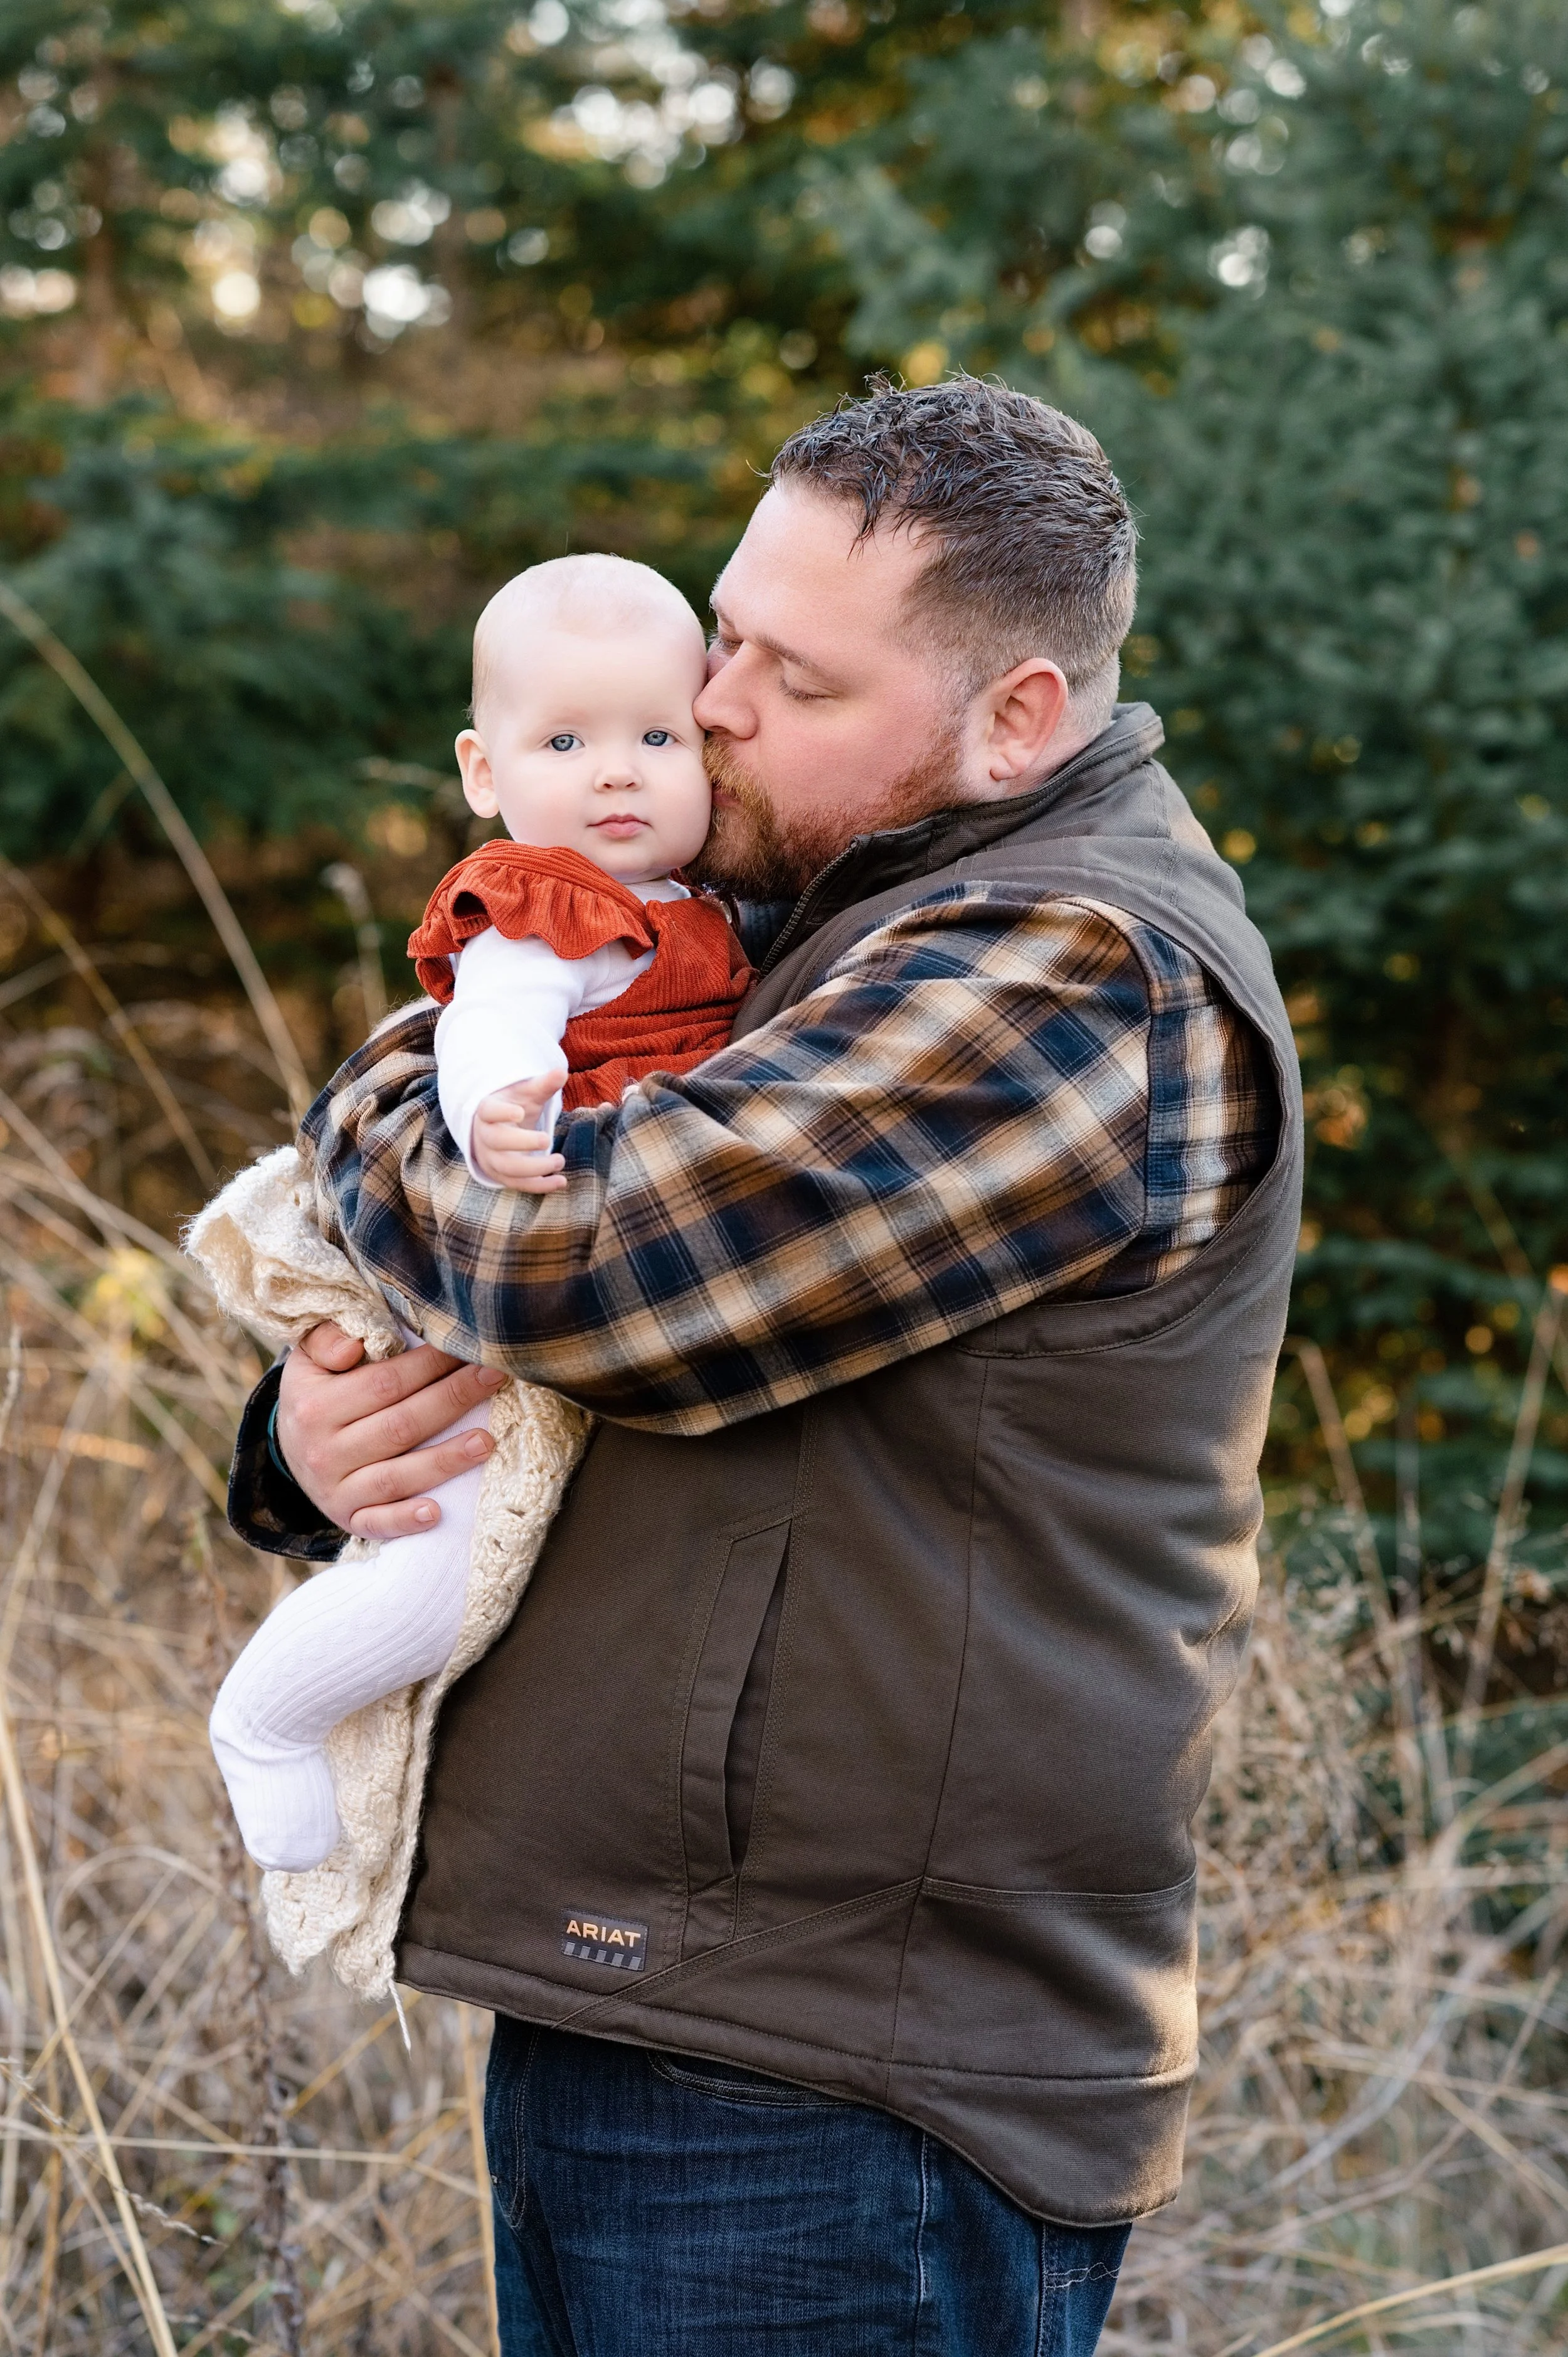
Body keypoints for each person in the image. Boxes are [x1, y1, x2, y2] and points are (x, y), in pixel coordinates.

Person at [228, 378, 1303, 2355]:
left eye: (792, 678)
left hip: (845, 2078)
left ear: (1018, 718)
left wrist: (386, 1081)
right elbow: (556, 1351)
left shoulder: (1073, 972)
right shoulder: (796, 923)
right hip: (674, 2003)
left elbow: (582, 1267)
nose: (713, 703)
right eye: (726, 632)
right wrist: (314, 1437)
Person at [206, 555, 748, 1872]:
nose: (615, 772)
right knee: (439, 1554)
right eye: (566, 740)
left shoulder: (712, 911)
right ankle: (267, 1721)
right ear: (484, 772)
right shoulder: (545, 904)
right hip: (503, 1233)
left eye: (654, 737)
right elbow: (495, 1018)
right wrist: (504, 1105)